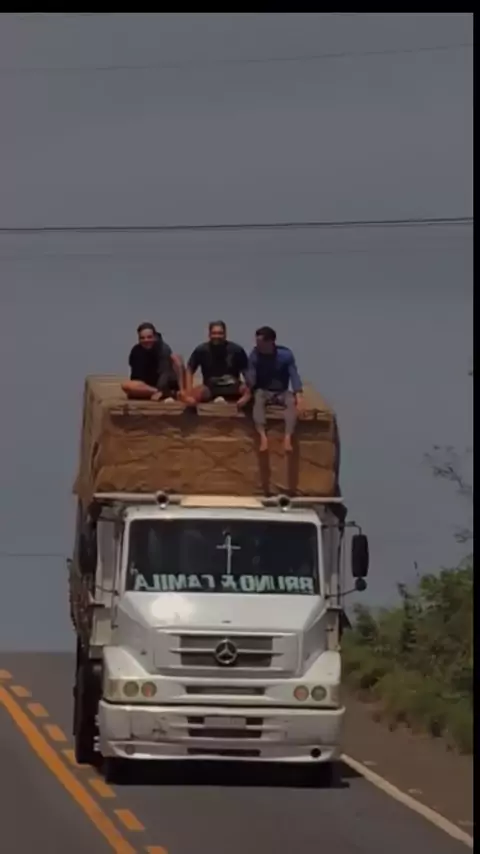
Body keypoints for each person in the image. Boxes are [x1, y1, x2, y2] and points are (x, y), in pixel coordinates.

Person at [247, 325, 304, 453]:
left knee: (291, 402)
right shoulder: (255, 355)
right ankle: (263, 437)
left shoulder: (285, 355)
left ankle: (288, 437)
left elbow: (294, 375)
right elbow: (251, 374)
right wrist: (248, 387)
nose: (257, 345)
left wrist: (299, 396)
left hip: (281, 391)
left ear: (271, 341)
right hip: (263, 390)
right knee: (258, 400)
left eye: (260, 342)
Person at [184, 320, 250, 407]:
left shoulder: (236, 350)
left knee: (247, 390)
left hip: (233, 385)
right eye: (214, 333)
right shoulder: (202, 350)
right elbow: (190, 369)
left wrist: (247, 393)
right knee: (194, 395)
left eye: (220, 333)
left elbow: (247, 371)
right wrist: (189, 392)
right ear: (209, 335)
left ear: (225, 334)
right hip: (210, 387)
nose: (217, 336)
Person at [121, 322, 184, 401]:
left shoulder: (163, 349)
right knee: (126, 386)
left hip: (167, 384)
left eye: (149, 337)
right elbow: (135, 378)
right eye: (142, 338)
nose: (146, 340)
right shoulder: (136, 351)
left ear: (155, 337)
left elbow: (165, 373)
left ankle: (179, 392)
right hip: (148, 387)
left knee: (177, 358)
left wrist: (161, 388)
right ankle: (160, 393)